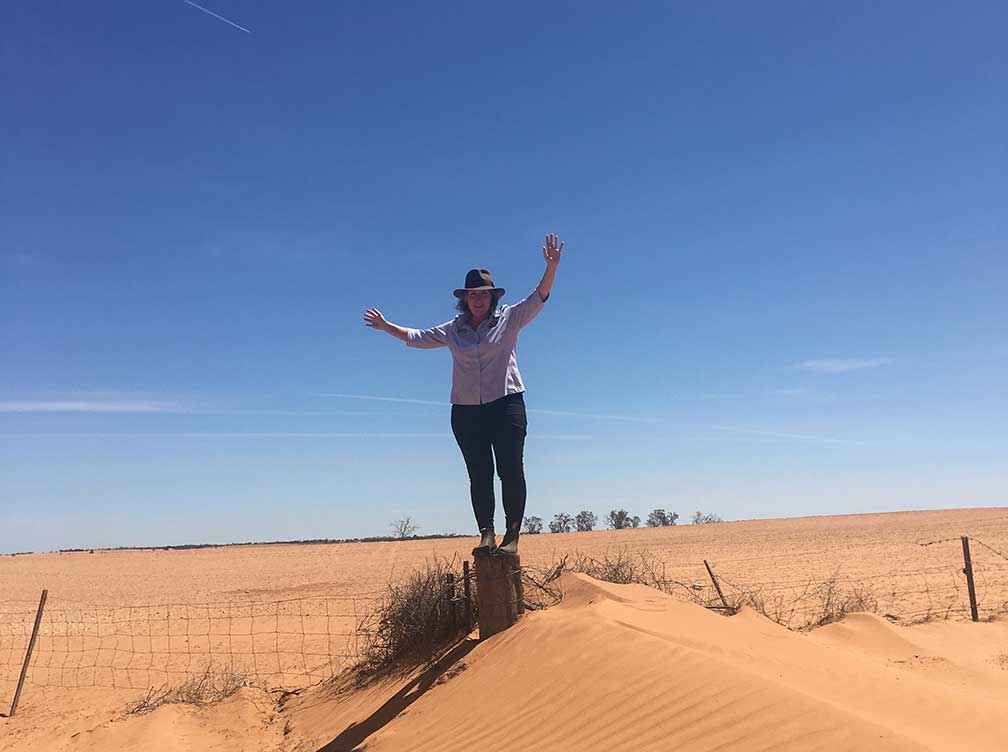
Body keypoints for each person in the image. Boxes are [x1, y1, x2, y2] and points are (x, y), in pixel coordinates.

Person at [363, 233, 564, 556]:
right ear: (465, 298)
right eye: (472, 294)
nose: (478, 299)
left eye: (483, 294)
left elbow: (539, 297)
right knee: (479, 473)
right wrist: (387, 326)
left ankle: (512, 535)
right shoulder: (453, 329)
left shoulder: (510, 318)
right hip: (467, 412)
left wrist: (551, 266)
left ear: (492, 297)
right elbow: (417, 337)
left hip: (507, 404)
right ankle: (486, 533)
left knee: (510, 469)